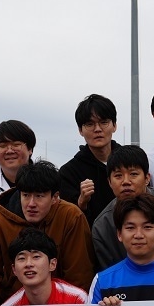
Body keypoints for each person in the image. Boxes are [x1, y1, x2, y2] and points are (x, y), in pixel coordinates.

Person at [0, 160, 94, 306]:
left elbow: (79, 275)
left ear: (55, 197)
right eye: (25, 195)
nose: (31, 204)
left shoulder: (71, 216)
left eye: (39, 196)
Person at [91, 145, 154, 271]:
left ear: (147, 178)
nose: (126, 181)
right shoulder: (102, 226)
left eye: (133, 174)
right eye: (118, 176)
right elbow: (109, 273)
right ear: (109, 182)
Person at [59, 94, 121, 226]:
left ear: (114, 126)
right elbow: (66, 221)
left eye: (104, 122)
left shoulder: (131, 162)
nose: (97, 129)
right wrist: (81, 203)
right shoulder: (69, 172)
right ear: (80, 130)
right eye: (89, 124)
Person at [1, 228, 90, 306]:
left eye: (36, 257)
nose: (28, 264)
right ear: (14, 269)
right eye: (21, 258)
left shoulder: (77, 299)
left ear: (52, 264)